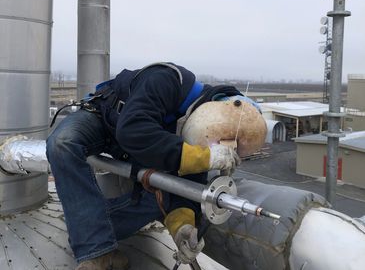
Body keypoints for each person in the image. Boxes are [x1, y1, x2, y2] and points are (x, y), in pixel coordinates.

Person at [46, 62, 264, 270]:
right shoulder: (169, 79)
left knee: (157, 198)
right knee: (62, 143)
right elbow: (132, 129)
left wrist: (183, 227)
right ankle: (97, 251)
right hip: (104, 117)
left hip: (137, 145)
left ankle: (85, 229)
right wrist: (201, 157)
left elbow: (184, 187)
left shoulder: (195, 133)